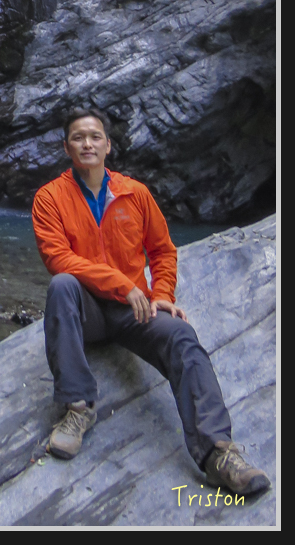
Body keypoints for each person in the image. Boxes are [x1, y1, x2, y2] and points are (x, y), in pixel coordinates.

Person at [31, 106, 271, 496]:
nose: (87, 143)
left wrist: (161, 296)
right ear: (66, 147)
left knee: (181, 335)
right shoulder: (50, 198)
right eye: (78, 137)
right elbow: (58, 258)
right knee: (61, 285)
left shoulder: (135, 193)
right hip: (87, 310)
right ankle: (78, 408)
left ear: (108, 145)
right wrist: (121, 285)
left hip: (133, 311)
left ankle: (218, 452)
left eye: (94, 136)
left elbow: (162, 251)